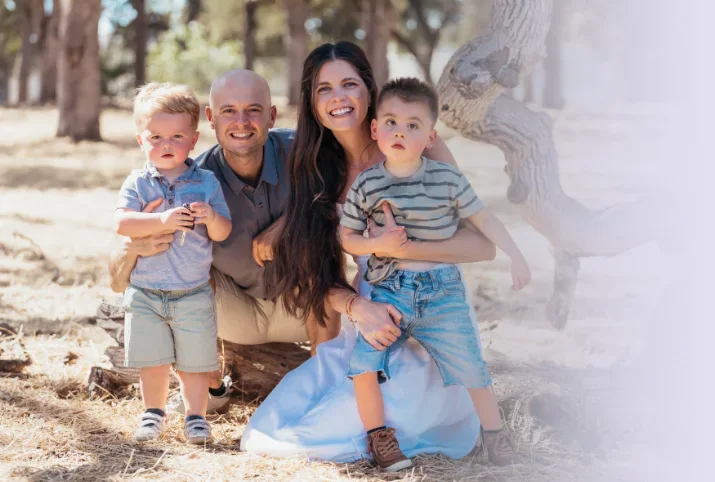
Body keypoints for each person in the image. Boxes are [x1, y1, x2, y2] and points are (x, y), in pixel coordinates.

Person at [107, 69, 494, 418]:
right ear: (210, 119)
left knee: (314, 249)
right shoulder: (191, 178)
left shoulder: (306, 155)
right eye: (228, 111)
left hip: (309, 303)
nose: (242, 122)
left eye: (254, 110)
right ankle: (211, 384)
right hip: (234, 310)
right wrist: (134, 249)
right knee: (177, 283)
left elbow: (369, 173)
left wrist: (293, 222)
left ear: (273, 116)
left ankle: (324, 387)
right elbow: (117, 277)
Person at [241, 42, 494, 464]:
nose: (338, 97)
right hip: (372, 311)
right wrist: (358, 307)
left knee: (325, 432)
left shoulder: (420, 148)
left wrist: (406, 247)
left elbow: (481, 243)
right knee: (273, 427)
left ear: (369, 89)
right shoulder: (317, 168)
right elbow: (315, 273)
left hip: (435, 310)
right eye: (324, 89)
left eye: (349, 84)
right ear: (312, 101)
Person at [339, 77, 531, 469]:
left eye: (413, 125)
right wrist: (378, 245)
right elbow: (348, 237)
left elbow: (482, 218)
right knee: (364, 362)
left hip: (441, 289)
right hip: (389, 290)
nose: (399, 132)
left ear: (430, 136)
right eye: (390, 122)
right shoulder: (368, 183)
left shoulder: (446, 179)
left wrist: (515, 254)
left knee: (471, 365)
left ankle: (496, 437)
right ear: (375, 129)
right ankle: (380, 439)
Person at [114, 82, 233, 444]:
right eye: (156, 137)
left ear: (193, 140)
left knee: (195, 360)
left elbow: (224, 230)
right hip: (146, 290)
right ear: (141, 141)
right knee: (154, 359)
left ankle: (196, 416)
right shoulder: (138, 183)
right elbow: (122, 222)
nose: (166, 145)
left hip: (192, 290)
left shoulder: (206, 182)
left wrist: (210, 215)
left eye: (176, 136)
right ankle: (153, 413)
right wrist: (162, 220)